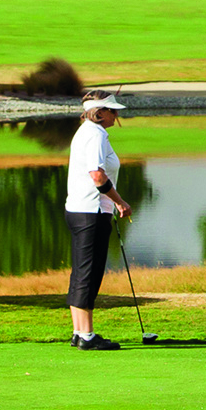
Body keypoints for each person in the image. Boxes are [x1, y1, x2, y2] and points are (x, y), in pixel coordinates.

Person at [61, 91, 131, 351]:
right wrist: (119, 201)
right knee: (87, 274)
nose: (116, 114)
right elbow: (98, 177)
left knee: (82, 272)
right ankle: (86, 336)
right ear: (98, 112)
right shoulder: (95, 134)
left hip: (84, 210)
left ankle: (80, 333)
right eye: (112, 110)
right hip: (90, 213)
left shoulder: (89, 132)